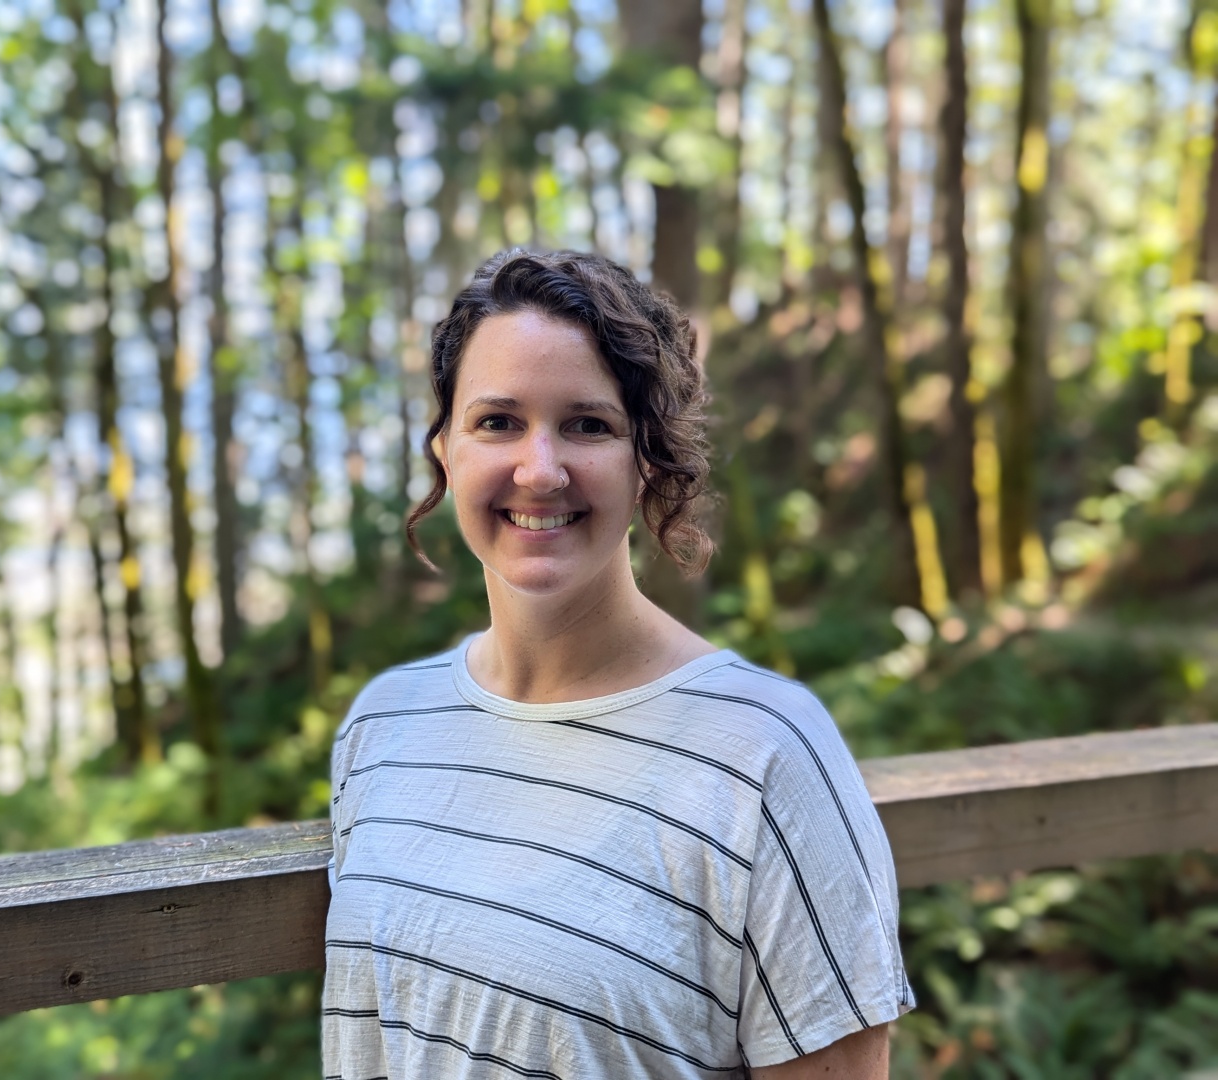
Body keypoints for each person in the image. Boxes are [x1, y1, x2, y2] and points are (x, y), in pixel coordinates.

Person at [323, 249, 911, 1079]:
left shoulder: (766, 754)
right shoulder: (383, 726)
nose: (540, 468)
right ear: (445, 450)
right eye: (497, 422)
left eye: (587, 425)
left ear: (646, 460)